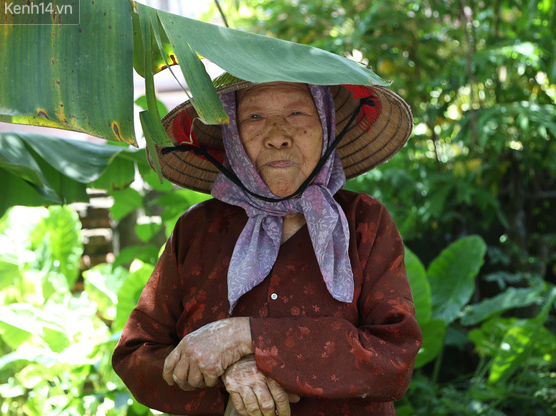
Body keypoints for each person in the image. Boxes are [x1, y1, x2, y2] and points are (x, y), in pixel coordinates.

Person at [112, 72, 422, 416]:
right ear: (232, 134)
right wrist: (227, 376)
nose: (278, 136)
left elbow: (393, 357)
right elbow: (136, 353)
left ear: (327, 126)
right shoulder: (197, 229)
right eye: (255, 117)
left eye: (297, 114)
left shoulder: (365, 221)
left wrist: (247, 337)